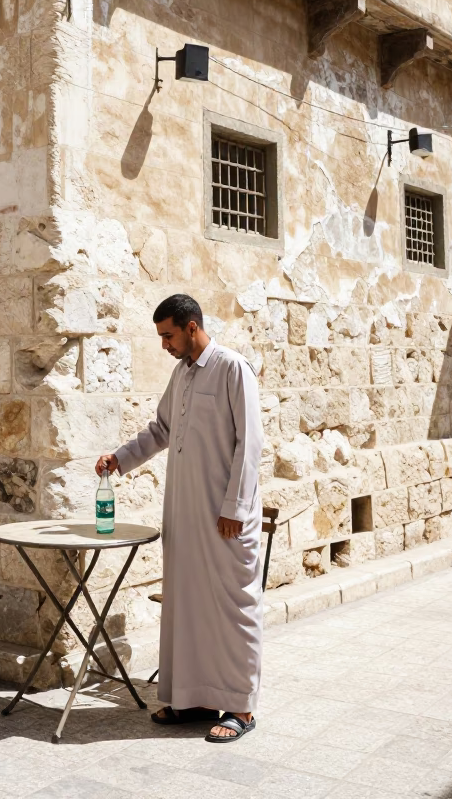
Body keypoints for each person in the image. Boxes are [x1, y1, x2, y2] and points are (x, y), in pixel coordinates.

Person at [96, 293, 263, 743]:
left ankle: (242, 709)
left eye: (168, 335)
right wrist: (121, 458)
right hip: (185, 515)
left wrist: (236, 508)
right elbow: (162, 430)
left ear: (192, 327)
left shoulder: (233, 369)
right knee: (189, 605)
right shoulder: (182, 375)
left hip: (226, 518)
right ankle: (198, 699)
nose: (164, 345)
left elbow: (250, 445)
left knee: (233, 609)